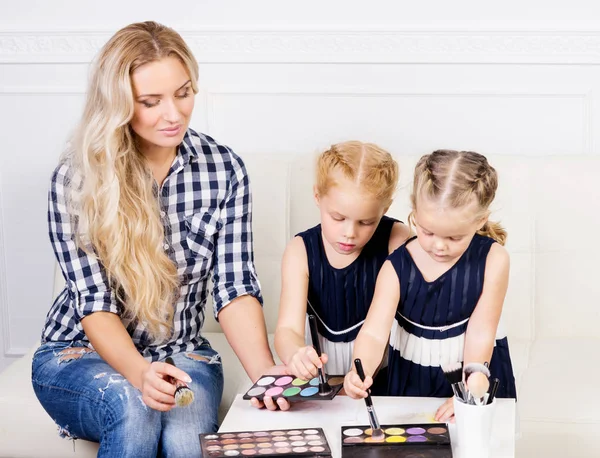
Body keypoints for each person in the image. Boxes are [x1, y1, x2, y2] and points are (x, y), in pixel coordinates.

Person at [31, 21, 286, 458]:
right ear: (118, 105)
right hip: (78, 353)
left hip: (184, 352)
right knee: (134, 406)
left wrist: (267, 376)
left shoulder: (225, 170)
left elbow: (234, 286)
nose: (174, 114)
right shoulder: (76, 179)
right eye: (151, 102)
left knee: (187, 438)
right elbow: (94, 301)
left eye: (183, 93)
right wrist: (138, 371)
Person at [344, 149, 517, 421]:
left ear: (479, 221)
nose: (438, 245)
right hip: (412, 378)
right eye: (427, 231)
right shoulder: (396, 267)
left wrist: (470, 393)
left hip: (475, 373)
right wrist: (359, 371)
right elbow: (374, 334)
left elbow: (481, 335)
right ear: (414, 212)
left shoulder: (494, 260)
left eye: (454, 237)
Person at [273, 141, 411, 393]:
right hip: (322, 378)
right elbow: (287, 329)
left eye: (366, 222)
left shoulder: (397, 240)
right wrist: (296, 353)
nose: (350, 233)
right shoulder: (300, 251)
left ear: (385, 209)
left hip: (383, 375)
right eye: (338, 218)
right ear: (317, 196)